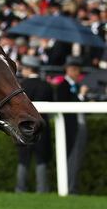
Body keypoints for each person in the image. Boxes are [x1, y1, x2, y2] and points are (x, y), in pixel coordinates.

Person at [15, 55, 53, 193]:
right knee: (41, 160)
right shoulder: (46, 86)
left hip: (24, 127)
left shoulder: (21, 86)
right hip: (42, 127)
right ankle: (42, 189)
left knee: (23, 159)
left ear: (28, 68)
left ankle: (20, 189)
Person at [54, 56, 89, 194]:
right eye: (74, 69)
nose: (77, 73)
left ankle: (72, 186)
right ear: (68, 70)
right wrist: (81, 96)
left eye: (78, 70)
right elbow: (66, 105)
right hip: (70, 128)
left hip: (79, 126)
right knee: (71, 157)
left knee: (77, 158)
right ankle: (70, 187)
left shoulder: (76, 86)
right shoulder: (63, 86)